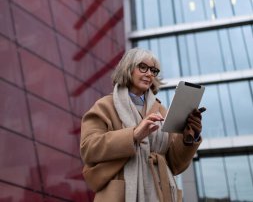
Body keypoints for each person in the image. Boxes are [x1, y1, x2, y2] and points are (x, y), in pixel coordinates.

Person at [80, 48, 203, 202]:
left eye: (153, 70)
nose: (149, 74)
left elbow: (175, 164)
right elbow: (88, 148)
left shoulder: (162, 111)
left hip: (160, 194)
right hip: (120, 194)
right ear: (128, 68)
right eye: (143, 67)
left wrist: (188, 139)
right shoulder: (105, 105)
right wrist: (134, 135)